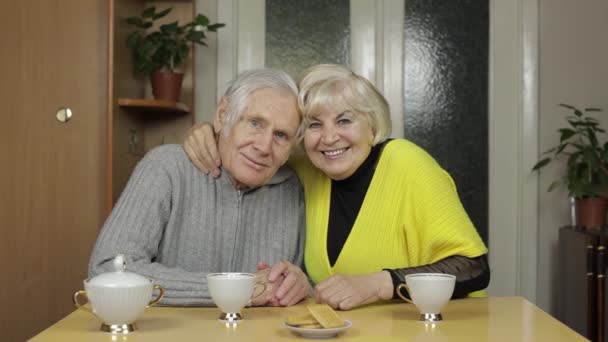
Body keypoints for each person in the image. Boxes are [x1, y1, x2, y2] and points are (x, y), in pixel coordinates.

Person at [184, 64, 490, 310]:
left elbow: (474, 268)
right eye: (315, 125)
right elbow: (259, 146)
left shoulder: (407, 164)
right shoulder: (309, 169)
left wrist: (377, 284)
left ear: (372, 125)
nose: (329, 138)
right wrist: (210, 132)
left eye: (344, 121)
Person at [89, 68, 311, 307]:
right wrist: (237, 290)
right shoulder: (166, 168)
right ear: (222, 115)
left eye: (281, 135)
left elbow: (296, 282)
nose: (264, 146)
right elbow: (108, 268)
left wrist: (301, 283)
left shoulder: (291, 188)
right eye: (255, 123)